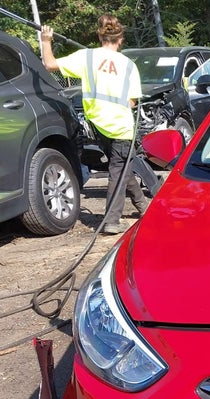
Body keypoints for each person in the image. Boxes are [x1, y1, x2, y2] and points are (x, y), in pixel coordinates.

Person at [41, 15, 149, 234]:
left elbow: (49, 64)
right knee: (119, 170)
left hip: (99, 124)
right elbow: (132, 101)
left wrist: (46, 40)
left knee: (122, 167)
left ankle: (143, 205)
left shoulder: (87, 57)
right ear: (121, 39)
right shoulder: (129, 65)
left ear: (100, 36)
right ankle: (111, 221)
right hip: (121, 126)